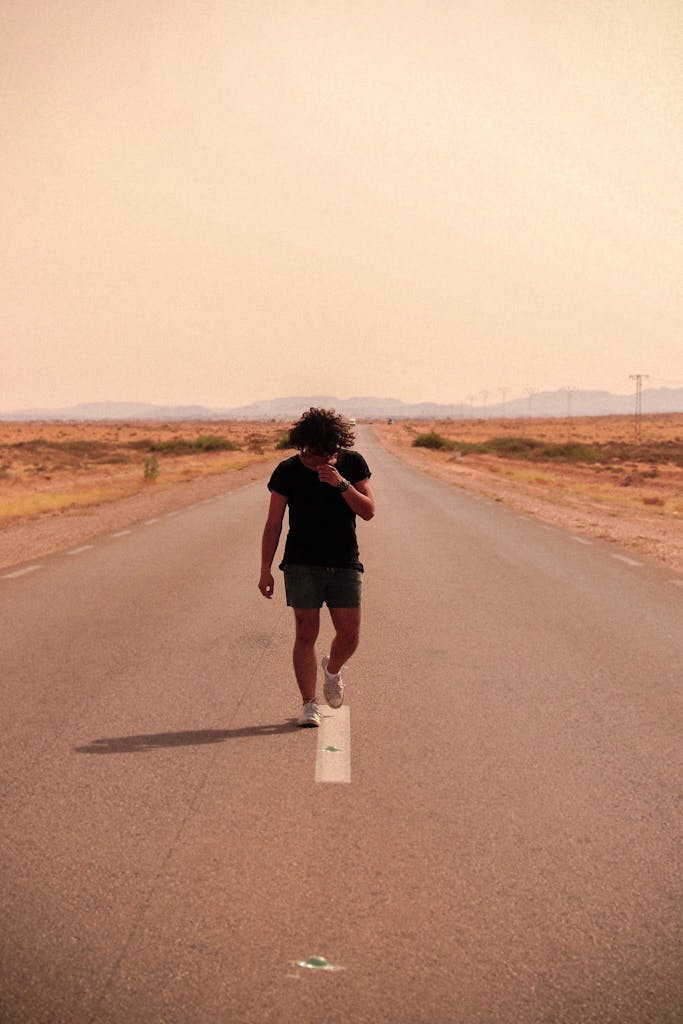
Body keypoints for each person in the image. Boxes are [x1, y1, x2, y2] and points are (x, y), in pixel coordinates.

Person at [258, 407, 375, 726]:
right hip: (301, 562)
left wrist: (341, 485)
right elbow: (273, 524)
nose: (316, 462)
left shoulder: (352, 464)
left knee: (350, 635)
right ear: (302, 446)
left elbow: (368, 511)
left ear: (336, 448)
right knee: (306, 631)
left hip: (344, 562)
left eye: (324, 455)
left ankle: (332, 670)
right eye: (310, 455)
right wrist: (265, 569)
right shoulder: (287, 471)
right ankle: (309, 704)